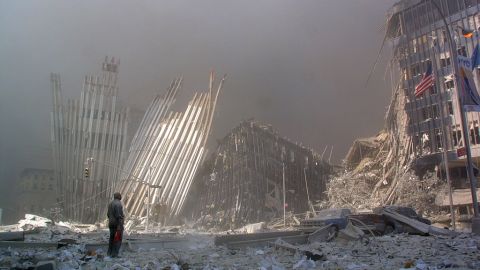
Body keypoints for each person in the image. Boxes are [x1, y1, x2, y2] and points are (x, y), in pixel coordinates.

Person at [107, 192, 124, 257]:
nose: (121, 197)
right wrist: (120, 225)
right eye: (120, 195)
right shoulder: (118, 204)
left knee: (111, 238)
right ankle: (115, 254)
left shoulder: (110, 203)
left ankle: (109, 253)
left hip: (111, 223)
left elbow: (108, 214)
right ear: (119, 197)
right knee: (117, 239)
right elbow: (118, 215)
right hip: (117, 224)